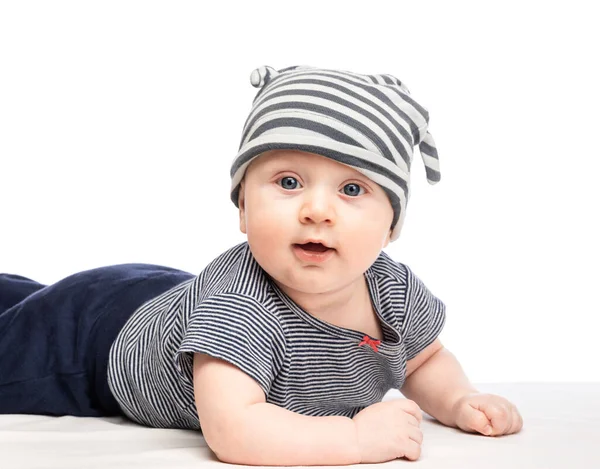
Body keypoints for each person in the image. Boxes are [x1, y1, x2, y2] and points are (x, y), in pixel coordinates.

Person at [0, 65, 523, 465]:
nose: (316, 210)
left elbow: (423, 360)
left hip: (166, 294)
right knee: (18, 337)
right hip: (94, 336)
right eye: (289, 182)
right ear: (244, 208)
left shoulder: (396, 294)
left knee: (26, 299)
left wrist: (457, 400)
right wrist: (355, 439)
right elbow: (233, 429)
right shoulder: (241, 306)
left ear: (390, 227)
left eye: (352, 189)